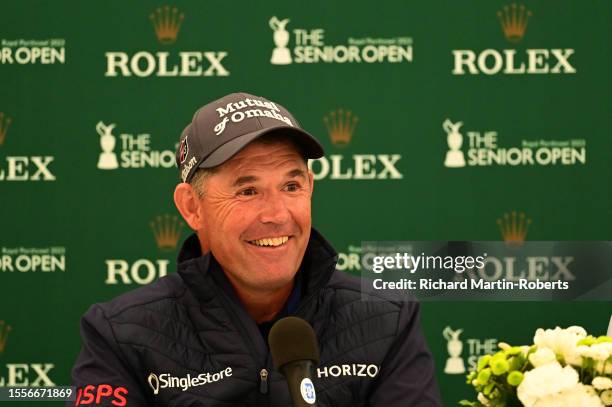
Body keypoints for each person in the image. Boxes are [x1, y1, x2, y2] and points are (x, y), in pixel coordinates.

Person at [70, 92, 442, 406]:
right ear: (191, 207)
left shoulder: (388, 321)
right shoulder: (120, 335)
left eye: (291, 187)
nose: (277, 215)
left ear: (311, 187)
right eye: (248, 191)